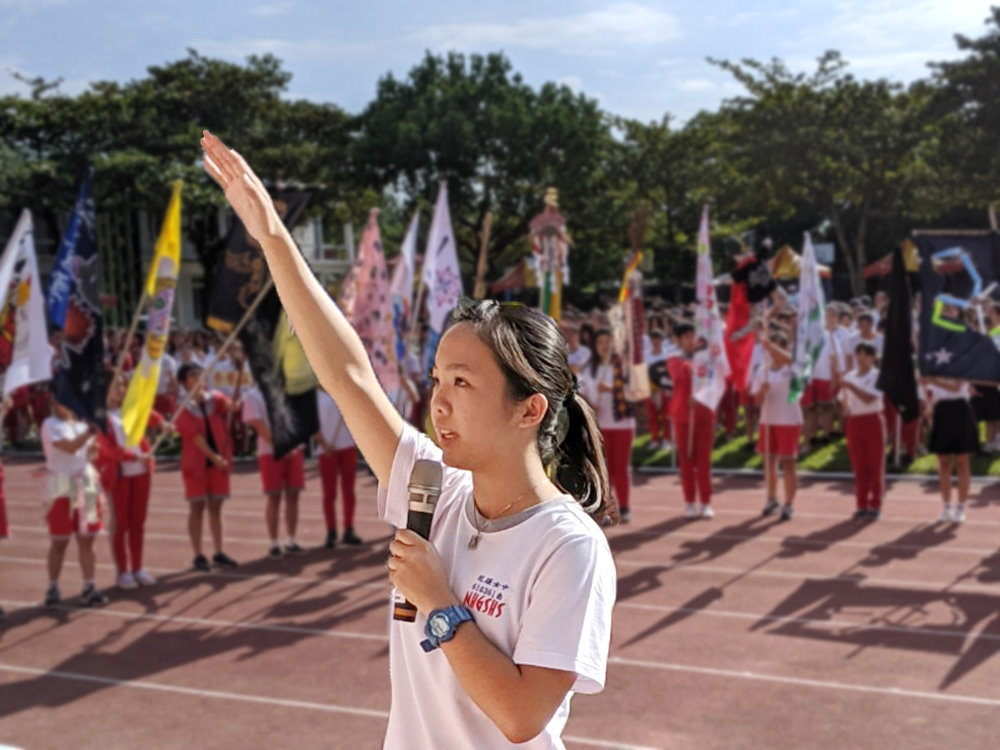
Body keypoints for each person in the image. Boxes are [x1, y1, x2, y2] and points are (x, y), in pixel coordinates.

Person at [202, 130, 616, 749]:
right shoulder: (432, 487)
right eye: (437, 379)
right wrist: (272, 239)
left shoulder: (567, 546)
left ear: (528, 409)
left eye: (463, 383)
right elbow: (347, 376)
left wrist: (441, 604)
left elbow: (523, 715)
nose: (438, 401)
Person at [98, 374, 163, 588]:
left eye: (123, 386)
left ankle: (138, 567)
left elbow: (151, 416)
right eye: (116, 386)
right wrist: (133, 457)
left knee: (138, 524)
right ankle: (123, 571)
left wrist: (163, 423)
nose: (121, 390)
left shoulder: (131, 407)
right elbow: (107, 448)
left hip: (141, 472)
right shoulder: (99, 414)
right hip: (120, 474)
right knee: (121, 524)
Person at [40, 402, 108, 607]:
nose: (65, 405)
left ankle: (89, 586)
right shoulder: (49, 424)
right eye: (61, 400)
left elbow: (88, 455)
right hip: (60, 486)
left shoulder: (82, 425)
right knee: (60, 542)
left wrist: (93, 449)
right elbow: (69, 448)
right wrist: (89, 434)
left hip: (86, 485)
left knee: (87, 540)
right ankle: (53, 587)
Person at [174, 363, 239, 571]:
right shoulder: (182, 407)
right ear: (185, 382)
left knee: (216, 508)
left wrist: (233, 404)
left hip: (218, 463)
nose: (199, 378)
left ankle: (219, 551)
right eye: (193, 376)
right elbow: (195, 438)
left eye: (200, 374)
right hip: (197, 464)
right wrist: (215, 457)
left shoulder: (214, 398)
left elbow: (229, 405)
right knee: (197, 508)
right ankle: (198, 554)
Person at [242, 384, 306, 557]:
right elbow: (259, 426)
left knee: (293, 495)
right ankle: (274, 542)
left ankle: (291, 539)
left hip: (294, 449)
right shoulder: (253, 395)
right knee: (274, 497)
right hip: (270, 452)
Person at [579, 328, 635, 523]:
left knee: (620, 468)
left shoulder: (624, 367)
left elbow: (636, 391)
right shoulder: (589, 368)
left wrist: (611, 388)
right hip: (600, 426)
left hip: (622, 424)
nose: (605, 347)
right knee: (604, 469)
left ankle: (625, 506)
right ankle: (605, 508)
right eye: (601, 343)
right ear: (595, 346)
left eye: (608, 343)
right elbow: (581, 393)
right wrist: (589, 404)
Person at [666, 323, 716, 518]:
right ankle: (689, 501)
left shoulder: (706, 359)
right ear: (680, 340)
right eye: (685, 336)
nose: (689, 340)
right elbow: (679, 373)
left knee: (703, 461)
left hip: (703, 413)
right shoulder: (674, 358)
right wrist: (696, 366)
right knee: (686, 460)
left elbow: (714, 380)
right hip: (682, 414)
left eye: (692, 336)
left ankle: (705, 502)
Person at [751, 331, 801, 521]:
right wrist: (762, 392)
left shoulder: (792, 367)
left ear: (786, 347)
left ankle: (789, 504)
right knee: (769, 461)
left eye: (778, 347)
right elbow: (756, 400)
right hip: (768, 420)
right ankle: (772, 499)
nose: (773, 352)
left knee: (788, 462)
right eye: (771, 348)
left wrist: (771, 345)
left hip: (788, 419)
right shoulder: (762, 370)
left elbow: (792, 360)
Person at [839, 343, 885, 519]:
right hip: (855, 422)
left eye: (865, 355)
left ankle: (875, 504)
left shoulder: (878, 376)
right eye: (858, 355)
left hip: (872, 419)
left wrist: (850, 386)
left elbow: (868, 398)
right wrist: (845, 407)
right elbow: (844, 401)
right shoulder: (850, 376)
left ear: (873, 358)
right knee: (859, 465)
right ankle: (861, 503)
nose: (861, 359)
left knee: (875, 464)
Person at [925, 377, 978, 524]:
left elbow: (956, 387)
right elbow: (928, 388)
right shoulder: (936, 363)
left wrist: (932, 380)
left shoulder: (962, 361)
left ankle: (961, 507)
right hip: (941, 410)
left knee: (962, 461)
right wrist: (928, 405)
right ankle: (946, 507)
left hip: (961, 409)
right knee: (943, 462)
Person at [315, 386, 362, 548]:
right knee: (329, 493)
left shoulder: (343, 392)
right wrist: (323, 443)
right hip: (326, 450)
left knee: (348, 491)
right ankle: (331, 530)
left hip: (347, 446)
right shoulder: (313, 397)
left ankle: (349, 527)